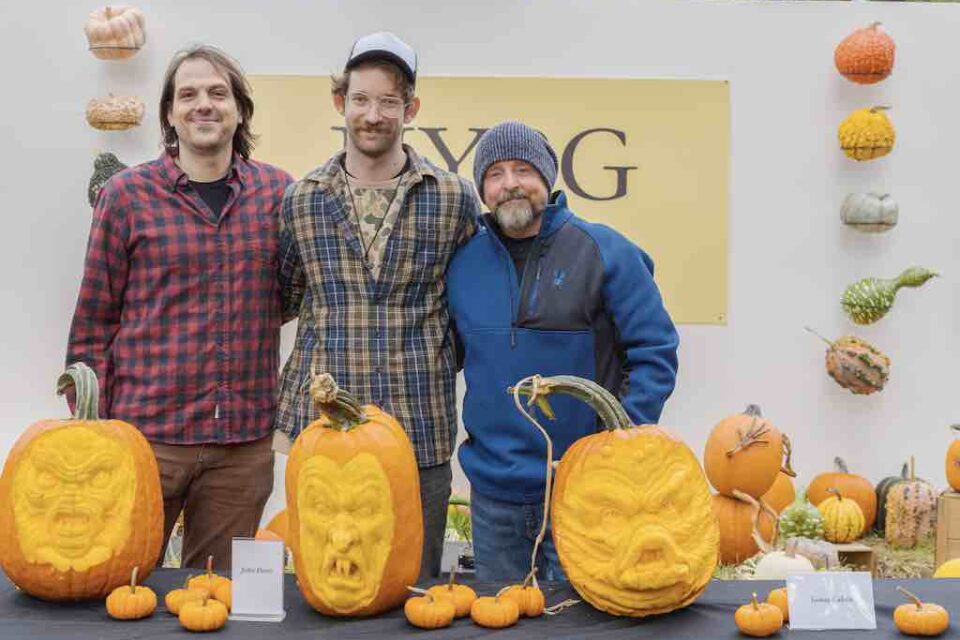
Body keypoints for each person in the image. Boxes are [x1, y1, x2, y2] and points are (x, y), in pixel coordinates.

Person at [66, 44, 293, 570]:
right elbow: (93, 322)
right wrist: (89, 431)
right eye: (187, 94)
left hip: (242, 445)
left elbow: (289, 296)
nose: (204, 105)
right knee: (118, 582)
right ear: (169, 112)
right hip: (146, 439)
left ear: (240, 109)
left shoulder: (279, 193)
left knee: (213, 596)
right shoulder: (125, 196)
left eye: (218, 93)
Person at [274, 32, 479, 580]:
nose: (374, 114)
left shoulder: (453, 197)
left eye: (389, 101)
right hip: (323, 428)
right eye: (361, 99)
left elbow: (469, 304)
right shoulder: (303, 200)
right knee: (329, 573)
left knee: (413, 580)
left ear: (410, 110)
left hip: (419, 421)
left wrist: (433, 357)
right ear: (341, 104)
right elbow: (286, 297)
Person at [447, 120, 680, 581]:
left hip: (589, 491)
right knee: (502, 623)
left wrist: (619, 445)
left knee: (580, 622)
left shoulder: (604, 250)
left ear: (547, 178)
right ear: (481, 189)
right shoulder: (463, 264)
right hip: (495, 494)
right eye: (494, 173)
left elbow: (655, 351)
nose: (509, 183)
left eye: (522, 169)